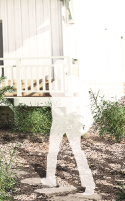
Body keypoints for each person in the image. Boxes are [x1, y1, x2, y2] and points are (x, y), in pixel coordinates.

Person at [42, 61, 95, 196]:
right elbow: (58, 102)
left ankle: (89, 185)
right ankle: (50, 179)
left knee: (77, 151)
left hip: (71, 121)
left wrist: (80, 119)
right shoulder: (53, 85)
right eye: (55, 69)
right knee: (52, 150)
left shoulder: (75, 81)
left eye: (60, 68)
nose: (58, 71)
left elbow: (79, 101)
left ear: (65, 69)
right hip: (58, 121)